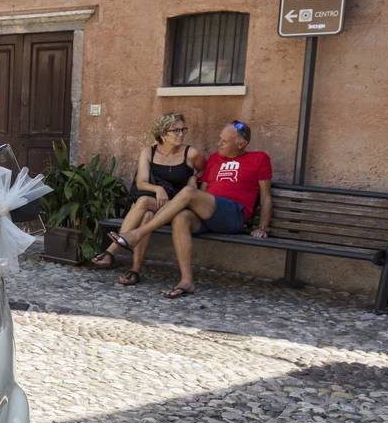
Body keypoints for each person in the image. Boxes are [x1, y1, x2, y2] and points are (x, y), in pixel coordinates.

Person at [112, 121, 273, 299]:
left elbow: (265, 196)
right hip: (207, 213)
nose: (219, 143)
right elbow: (203, 189)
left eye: (224, 141)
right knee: (181, 217)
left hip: (233, 214)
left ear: (241, 144)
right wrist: (193, 185)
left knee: (189, 192)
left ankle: (137, 234)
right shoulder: (214, 159)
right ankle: (186, 281)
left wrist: (262, 227)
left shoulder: (259, 158)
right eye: (220, 139)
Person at [92, 113, 205, 286]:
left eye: (183, 130)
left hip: (176, 207)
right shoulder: (149, 152)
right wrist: (157, 188)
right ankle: (135, 270)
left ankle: (111, 251)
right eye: (175, 130)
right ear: (162, 134)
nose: (181, 134)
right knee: (146, 212)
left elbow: (205, 171)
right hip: (153, 204)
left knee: (144, 203)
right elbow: (141, 182)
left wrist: (193, 178)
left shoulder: (191, 153)